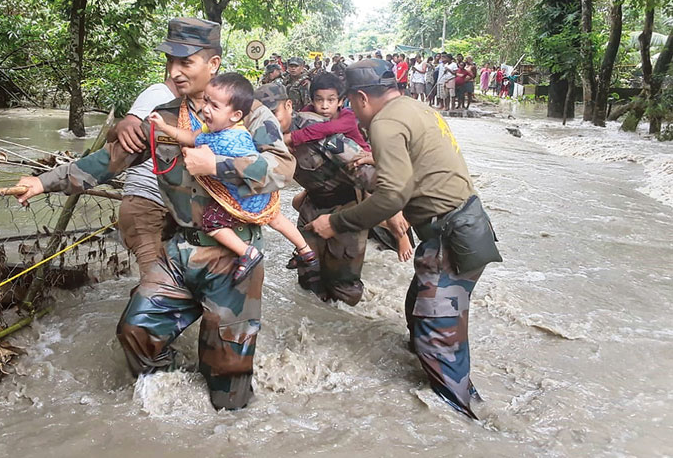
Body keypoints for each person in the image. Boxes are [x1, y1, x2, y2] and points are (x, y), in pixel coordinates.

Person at [15, 18, 295, 411]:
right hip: (180, 251)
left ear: (213, 64)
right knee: (137, 330)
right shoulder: (163, 118)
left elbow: (282, 169)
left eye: (186, 62)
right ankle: (178, 394)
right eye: (169, 61)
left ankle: (221, 414)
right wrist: (44, 182)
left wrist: (218, 166)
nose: (174, 72)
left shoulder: (247, 113)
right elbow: (106, 162)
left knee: (227, 380)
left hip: (233, 260)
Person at [306, 59, 501, 419]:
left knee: (435, 334)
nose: (353, 112)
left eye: (350, 102)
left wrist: (336, 222)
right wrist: (378, 159)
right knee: (418, 309)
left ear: (361, 97)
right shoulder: (415, 107)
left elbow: (391, 198)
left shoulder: (384, 122)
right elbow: (418, 166)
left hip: (450, 236)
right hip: (466, 225)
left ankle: (470, 421)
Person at [147, 73, 315, 285]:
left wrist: (211, 164)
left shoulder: (226, 139)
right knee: (276, 218)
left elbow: (264, 164)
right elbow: (190, 136)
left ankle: (247, 252)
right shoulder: (227, 128)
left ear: (235, 115)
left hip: (240, 199)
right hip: (262, 197)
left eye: (214, 106)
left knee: (212, 222)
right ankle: (306, 250)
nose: (205, 109)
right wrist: (163, 126)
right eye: (206, 101)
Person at [253, 82, 377, 306]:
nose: (267, 122)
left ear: (289, 106)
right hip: (312, 205)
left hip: (345, 206)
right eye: (260, 116)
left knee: (344, 289)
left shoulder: (318, 131)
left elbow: (371, 176)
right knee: (308, 280)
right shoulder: (260, 136)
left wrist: (392, 211)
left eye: (273, 114)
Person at [116, 74, 177, 279]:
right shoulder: (158, 94)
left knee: (168, 280)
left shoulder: (184, 105)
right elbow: (128, 131)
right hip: (145, 202)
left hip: (166, 207)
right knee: (156, 284)